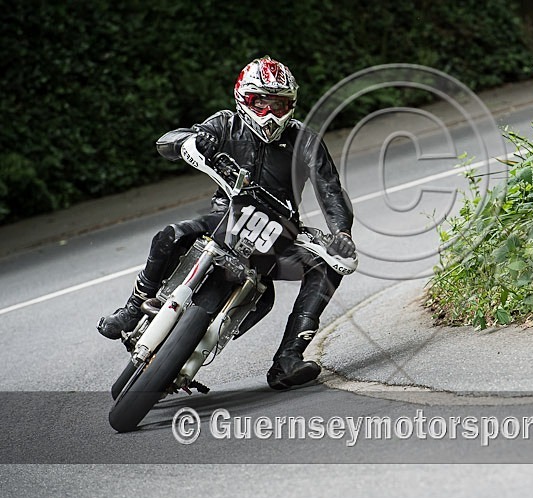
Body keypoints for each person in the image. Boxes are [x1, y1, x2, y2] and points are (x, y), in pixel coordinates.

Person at [97, 56, 356, 390]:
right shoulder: (224, 124)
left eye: (278, 103)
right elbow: (167, 142)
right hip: (225, 218)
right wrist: (190, 140)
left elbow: (330, 190)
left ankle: (287, 361)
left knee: (327, 267)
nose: (269, 111)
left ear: (291, 104)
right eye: (260, 101)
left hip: (277, 236)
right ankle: (132, 310)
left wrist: (341, 232)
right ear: (243, 98)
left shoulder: (305, 140)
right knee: (170, 235)